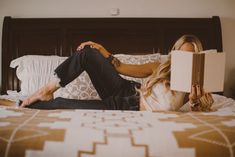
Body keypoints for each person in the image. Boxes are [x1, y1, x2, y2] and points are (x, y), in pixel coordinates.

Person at [20, 34, 214, 111]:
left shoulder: (197, 85)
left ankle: (22, 104)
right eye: (183, 54)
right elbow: (120, 67)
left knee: (62, 104)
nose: (186, 60)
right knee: (88, 53)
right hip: (125, 89)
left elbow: (198, 112)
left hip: (127, 106)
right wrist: (103, 51)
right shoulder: (159, 67)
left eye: (192, 56)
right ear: (174, 53)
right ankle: (46, 89)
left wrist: (195, 101)